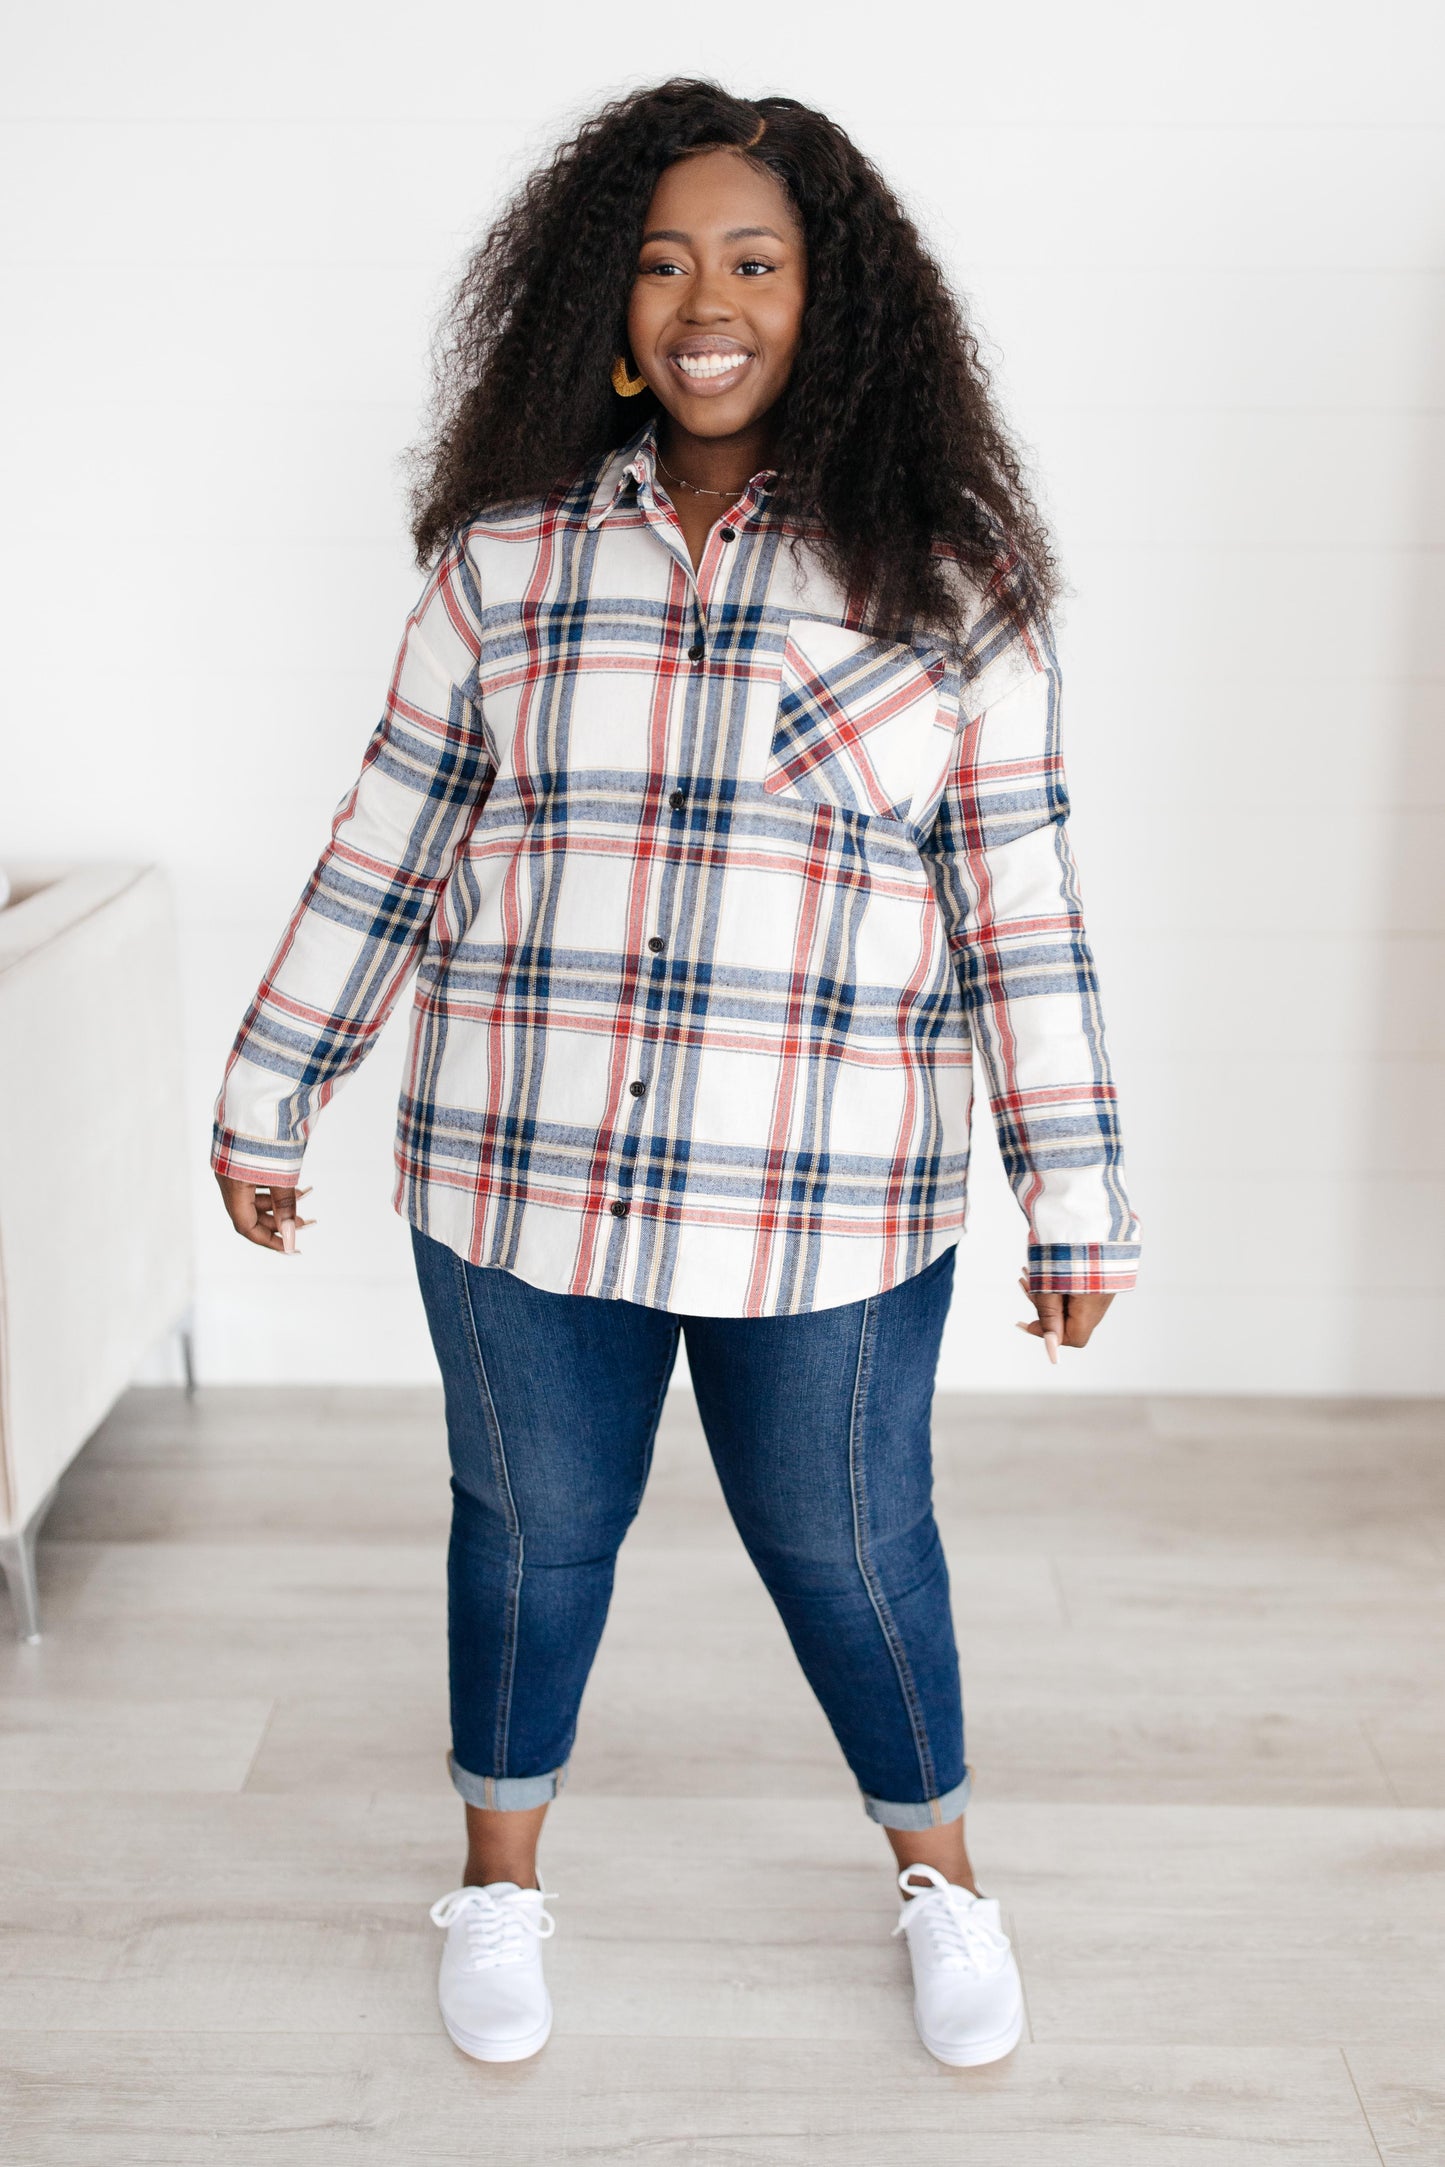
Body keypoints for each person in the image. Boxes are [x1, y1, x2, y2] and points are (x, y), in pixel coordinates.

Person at [211, 79, 1140, 2071]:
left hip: (827, 1197)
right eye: (657, 261)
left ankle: (942, 1870)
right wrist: (271, 1083)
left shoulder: (948, 580)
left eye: (752, 258)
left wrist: (1077, 1192)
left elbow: (1022, 906)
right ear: (598, 305)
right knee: (531, 1528)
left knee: (849, 1540)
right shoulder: (504, 559)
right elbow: (391, 834)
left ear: (832, 295)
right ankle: (501, 1875)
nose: (702, 301)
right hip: (518, 1174)